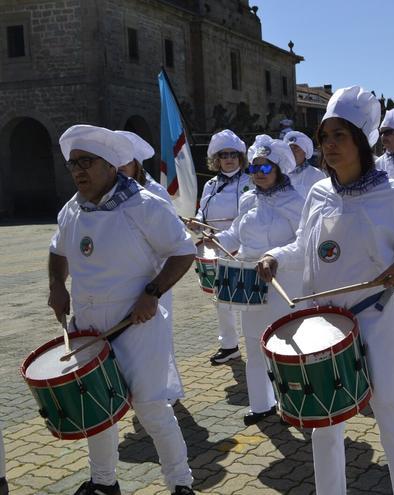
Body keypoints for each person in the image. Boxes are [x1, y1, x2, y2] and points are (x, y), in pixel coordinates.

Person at [257, 86, 394, 494]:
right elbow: (303, 245)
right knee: (323, 423)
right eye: (325, 136)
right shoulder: (318, 192)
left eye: (340, 135)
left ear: (360, 140)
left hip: (374, 319)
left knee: (391, 412)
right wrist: (274, 257)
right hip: (321, 323)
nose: (330, 145)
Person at [48, 125, 195, 495]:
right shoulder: (72, 209)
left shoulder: (145, 205)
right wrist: (56, 286)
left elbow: (183, 251)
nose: (78, 170)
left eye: (86, 162)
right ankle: (104, 482)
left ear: (110, 165)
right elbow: (57, 250)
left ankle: (180, 483)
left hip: (137, 324)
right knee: (99, 409)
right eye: (73, 164)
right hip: (88, 326)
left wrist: (152, 293)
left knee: (151, 407)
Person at [210, 139, 305, 425]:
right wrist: (215, 239)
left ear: (278, 169)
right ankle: (262, 404)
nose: (258, 173)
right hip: (251, 283)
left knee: (288, 346)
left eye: (265, 168)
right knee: (253, 343)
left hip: (285, 282)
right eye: (254, 168)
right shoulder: (248, 199)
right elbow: (235, 234)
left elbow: (304, 243)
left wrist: (276, 257)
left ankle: (294, 404)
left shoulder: (296, 201)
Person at [116, 130, 184, 404]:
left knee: (157, 334)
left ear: (136, 164)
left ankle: (163, 391)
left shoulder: (153, 192)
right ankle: (139, 391)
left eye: (125, 161)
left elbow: (172, 240)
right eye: (113, 161)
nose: (119, 167)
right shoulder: (107, 194)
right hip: (124, 276)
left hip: (154, 276)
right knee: (130, 339)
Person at [189, 129, 251, 366]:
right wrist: (197, 223)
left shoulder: (250, 181)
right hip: (215, 246)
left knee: (247, 299)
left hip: (242, 247)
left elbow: (249, 216)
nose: (229, 159)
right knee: (221, 300)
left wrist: (226, 235)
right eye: (224, 155)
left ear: (240, 157)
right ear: (217, 159)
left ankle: (256, 344)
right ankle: (229, 345)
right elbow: (202, 212)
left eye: (233, 154)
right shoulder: (210, 184)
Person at [283, 130, 326, 195]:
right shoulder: (279, 173)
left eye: (295, 148)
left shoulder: (317, 175)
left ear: (305, 152)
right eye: (289, 148)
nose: (291, 152)